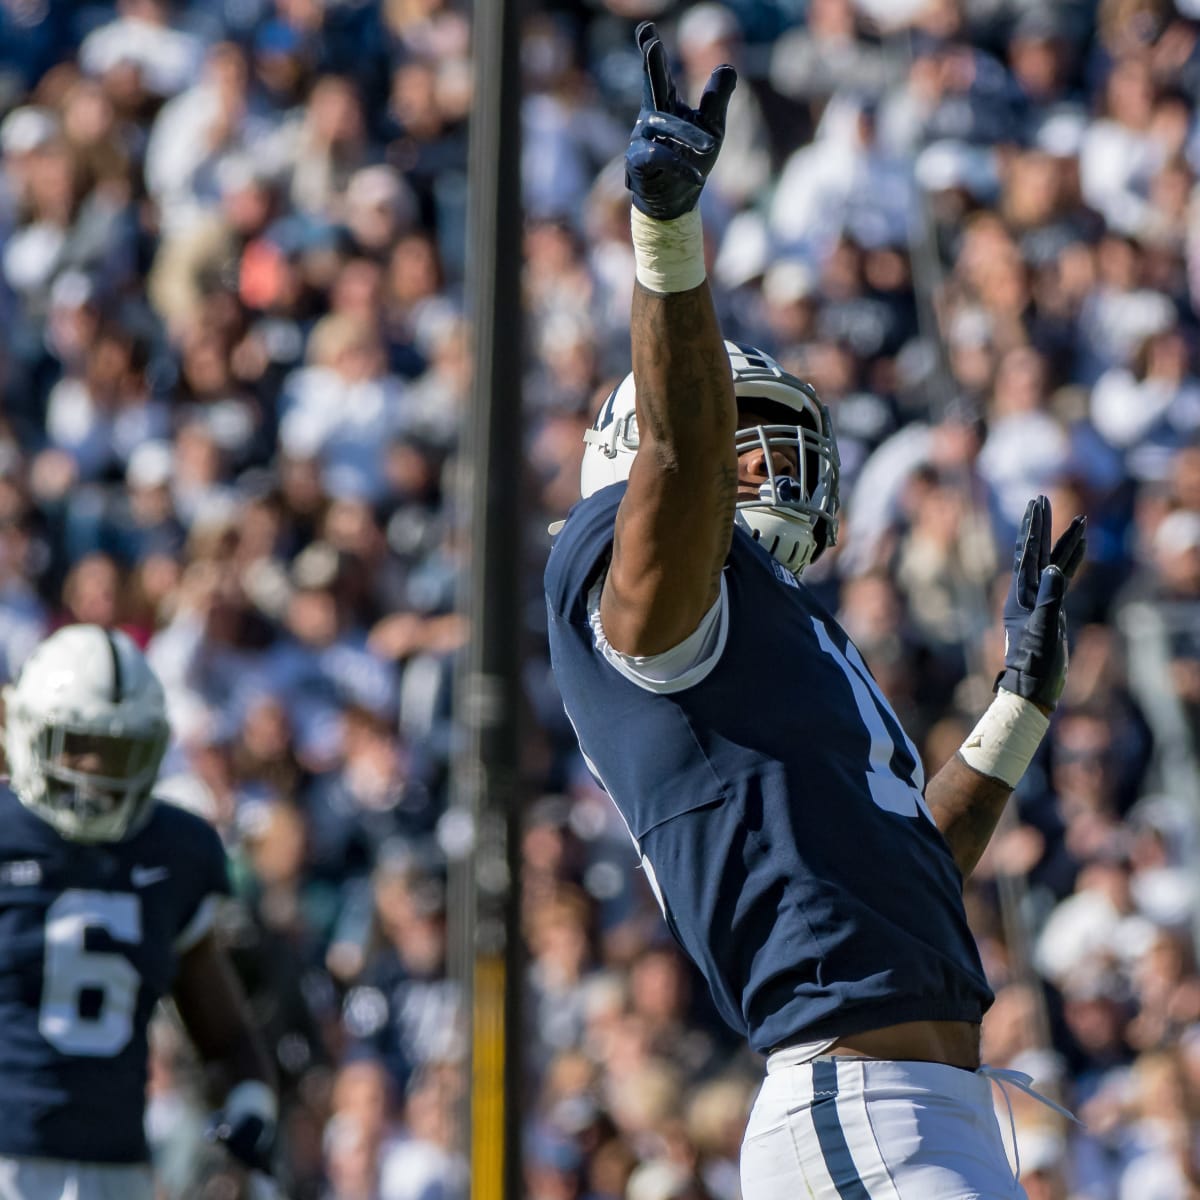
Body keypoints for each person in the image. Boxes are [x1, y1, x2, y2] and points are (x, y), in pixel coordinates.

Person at [544, 24, 1088, 1199]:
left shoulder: (775, 632)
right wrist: (669, 234)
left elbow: (901, 866)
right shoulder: (629, 573)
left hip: (925, 1104)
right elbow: (680, 467)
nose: (765, 469)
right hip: (859, 1104)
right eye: (741, 439)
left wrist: (1015, 714)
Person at [0, 624, 278, 1200]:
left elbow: (222, 1029)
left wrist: (251, 1103)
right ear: (28, 732)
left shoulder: (174, 849)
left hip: (118, 1167)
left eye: (118, 751)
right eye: (76, 743)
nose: (93, 773)